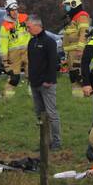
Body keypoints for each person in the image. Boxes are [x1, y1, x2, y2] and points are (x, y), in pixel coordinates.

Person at [26, 15, 61, 151]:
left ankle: (56, 142)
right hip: (35, 84)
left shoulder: (49, 42)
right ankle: (44, 142)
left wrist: (49, 80)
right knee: (40, 114)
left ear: (37, 26)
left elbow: (53, 62)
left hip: (47, 84)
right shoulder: (31, 42)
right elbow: (31, 63)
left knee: (51, 114)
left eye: (29, 27)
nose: (28, 29)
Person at [61, 0, 92, 98]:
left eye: (67, 5)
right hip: (71, 53)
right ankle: (78, 99)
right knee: (73, 77)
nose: (66, 7)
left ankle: (88, 96)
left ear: (74, 4)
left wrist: (80, 49)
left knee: (79, 76)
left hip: (77, 52)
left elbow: (84, 33)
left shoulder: (81, 16)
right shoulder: (72, 18)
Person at [0, 0, 30, 98]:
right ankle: (8, 98)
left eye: (16, 10)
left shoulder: (25, 19)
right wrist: (5, 61)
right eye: (12, 10)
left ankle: (33, 96)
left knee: (32, 75)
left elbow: (33, 32)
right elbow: (3, 45)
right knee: (14, 78)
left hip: (27, 51)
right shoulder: (5, 27)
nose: (15, 12)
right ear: (8, 11)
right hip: (13, 55)